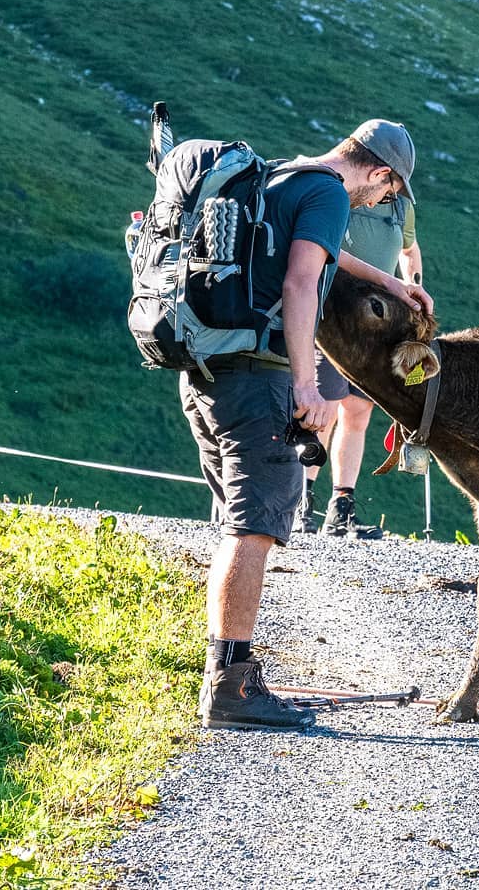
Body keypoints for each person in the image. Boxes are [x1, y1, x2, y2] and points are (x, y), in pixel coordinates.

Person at [185, 119, 433, 731]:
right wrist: (305, 384)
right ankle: (231, 688)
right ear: (378, 171)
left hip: (208, 368)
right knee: (254, 527)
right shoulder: (328, 193)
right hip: (256, 376)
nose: (383, 203)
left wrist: (387, 282)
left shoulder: (287, 173)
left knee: (238, 522)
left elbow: (320, 252)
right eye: (389, 192)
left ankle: (227, 669)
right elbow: (301, 285)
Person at [294, 194, 422, 537]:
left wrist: (413, 284)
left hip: (377, 327)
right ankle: (298, 505)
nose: (391, 186)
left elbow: (409, 251)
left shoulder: (401, 207)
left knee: (358, 414)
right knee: (324, 410)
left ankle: (340, 510)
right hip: (336, 322)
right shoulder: (344, 196)